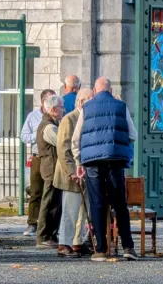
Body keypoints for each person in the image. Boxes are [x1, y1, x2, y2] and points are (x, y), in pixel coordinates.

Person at [73, 76, 138, 262]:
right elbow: (132, 134)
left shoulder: (86, 108)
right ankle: (127, 247)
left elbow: (76, 139)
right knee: (120, 204)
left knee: (97, 204)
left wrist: (79, 162)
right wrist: (119, 144)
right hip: (115, 160)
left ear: (94, 91)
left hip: (92, 162)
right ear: (110, 90)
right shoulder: (121, 106)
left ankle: (101, 249)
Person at [54, 87, 94, 258]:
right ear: (82, 101)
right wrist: (72, 171)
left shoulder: (87, 117)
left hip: (83, 172)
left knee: (82, 211)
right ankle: (64, 243)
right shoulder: (69, 119)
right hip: (70, 173)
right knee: (70, 211)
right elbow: (63, 148)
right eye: (91, 99)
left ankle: (76, 242)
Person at [20, 89, 55, 236]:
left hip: (51, 156)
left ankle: (48, 223)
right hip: (37, 155)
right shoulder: (33, 116)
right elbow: (23, 136)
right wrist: (39, 135)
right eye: (49, 100)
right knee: (35, 191)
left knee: (51, 191)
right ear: (43, 102)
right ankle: (32, 223)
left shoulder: (56, 117)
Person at [36, 94, 64, 249]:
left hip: (52, 167)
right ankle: (44, 236)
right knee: (49, 202)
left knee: (54, 202)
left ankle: (50, 234)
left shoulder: (51, 124)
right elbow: (61, 143)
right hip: (51, 168)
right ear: (53, 109)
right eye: (61, 107)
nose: (63, 110)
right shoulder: (48, 127)